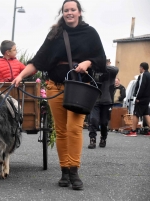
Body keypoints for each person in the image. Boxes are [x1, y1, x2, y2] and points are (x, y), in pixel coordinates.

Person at [12, 0, 106, 190]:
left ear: (79, 12)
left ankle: (74, 171)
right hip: (55, 87)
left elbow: (101, 59)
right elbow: (38, 60)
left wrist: (88, 62)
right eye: (66, 10)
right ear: (62, 13)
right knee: (61, 130)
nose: (69, 13)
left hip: (79, 86)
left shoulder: (90, 33)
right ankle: (64, 171)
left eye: (73, 10)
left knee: (74, 128)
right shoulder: (55, 34)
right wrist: (20, 75)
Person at [88, 59, 118, 149]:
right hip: (95, 100)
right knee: (93, 120)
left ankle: (103, 138)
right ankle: (92, 139)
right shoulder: (93, 70)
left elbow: (116, 69)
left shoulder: (111, 71)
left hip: (107, 101)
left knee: (104, 122)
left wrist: (103, 66)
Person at [125, 62, 150, 137]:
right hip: (147, 98)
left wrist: (137, 97)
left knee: (136, 113)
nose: (139, 69)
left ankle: (133, 131)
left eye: (139, 68)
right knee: (146, 114)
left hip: (141, 98)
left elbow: (141, 87)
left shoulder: (143, 75)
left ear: (142, 68)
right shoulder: (149, 75)